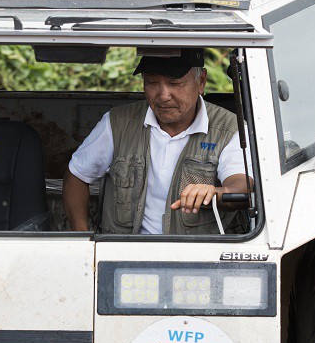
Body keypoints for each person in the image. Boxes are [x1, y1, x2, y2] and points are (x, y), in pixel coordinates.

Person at [62, 48, 251, 235]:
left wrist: (216, 192)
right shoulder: (117, 122)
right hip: (123, 253)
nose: (163, 95)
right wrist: (81, 235)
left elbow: (241, 185)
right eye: (152, 82)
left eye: (175, 83)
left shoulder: (229, 129)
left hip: (196, 256)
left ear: (201, 81)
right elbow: (77, 175)